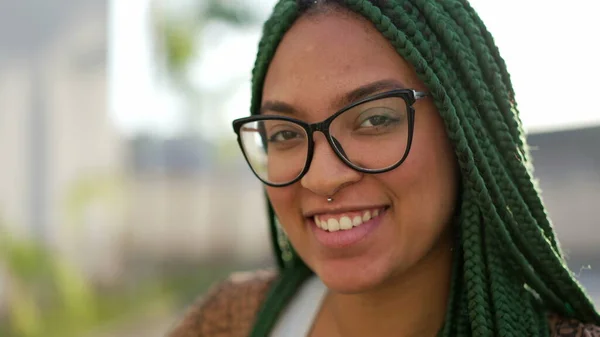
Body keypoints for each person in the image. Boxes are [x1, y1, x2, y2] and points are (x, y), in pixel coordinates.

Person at [167, 0, 600, 336]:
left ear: (464, 131)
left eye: (375, 119)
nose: (322, 177)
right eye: (284, 133)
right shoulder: (230, 321)